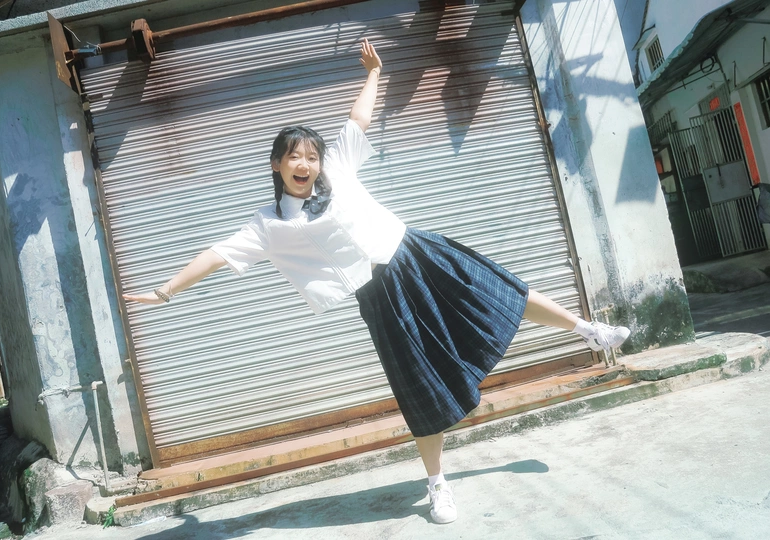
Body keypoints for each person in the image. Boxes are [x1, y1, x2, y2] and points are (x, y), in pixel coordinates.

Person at [124, 38, 631, 525]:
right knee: (419, 385)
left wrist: (374, 73)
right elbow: (217, 254)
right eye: (294, 156)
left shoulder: (338, 169)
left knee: (500, 291)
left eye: (312, 156)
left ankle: (587, 330)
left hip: (415, 252)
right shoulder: (269, 225)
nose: (305, 164)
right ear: (277, 164)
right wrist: (166, 290)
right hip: (380, 295)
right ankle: (437, 483)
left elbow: (358, 119)